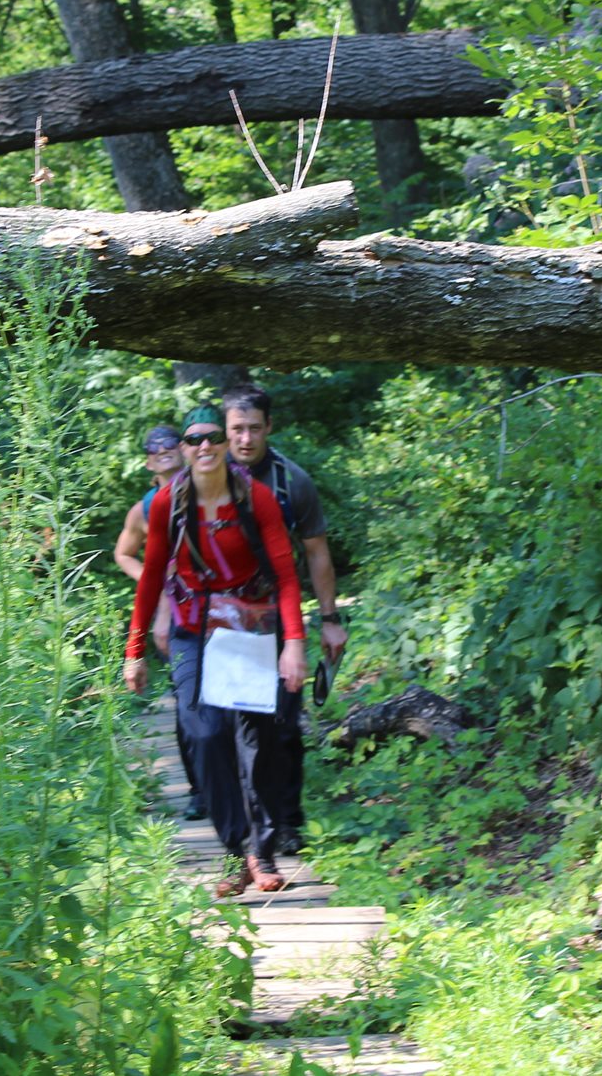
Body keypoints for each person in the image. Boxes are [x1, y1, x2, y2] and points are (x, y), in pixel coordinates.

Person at [124, 407, 307, 896]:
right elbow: (150, 577)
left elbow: (287, 576)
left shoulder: (257, 498)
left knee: (256, 741)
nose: (205, 447)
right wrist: (135, 649)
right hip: (192, 628)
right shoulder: (166, 503)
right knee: (202, 734)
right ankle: (234, 850)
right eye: (194, 440)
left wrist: (294, 644)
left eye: (213, 438)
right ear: (183, 449)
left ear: (226, 446)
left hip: (248, 626)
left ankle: (259, 853)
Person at [220, 383, 343, 855]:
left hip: (276, 616)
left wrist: (329, 618)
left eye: (254, 428)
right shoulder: (204, 477)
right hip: (219, 619)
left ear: (269, 427)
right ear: (225, 430)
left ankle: (288, 822)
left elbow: (316, 554)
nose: (246, 439)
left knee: (283, 724)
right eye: (237, 429)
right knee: (232, 726)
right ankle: (248, 828)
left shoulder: (293, 483)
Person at [113, 424, 204, 820]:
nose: (163, 449)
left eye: (171, 443)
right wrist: (160, 581)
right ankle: (201, 790)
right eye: (155, 447)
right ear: (148, 459)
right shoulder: (147, 507)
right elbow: (124, 553)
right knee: (189, 703)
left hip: (225, 603)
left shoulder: (213, 486)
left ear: (184, 450)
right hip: (179, 608)